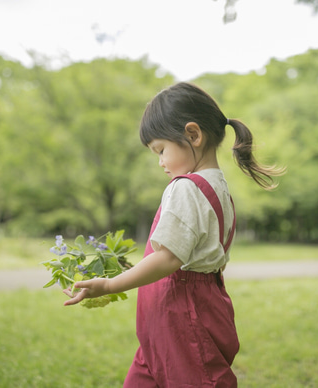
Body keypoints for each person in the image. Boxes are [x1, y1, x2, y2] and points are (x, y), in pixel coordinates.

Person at [63, 82, 284, 387]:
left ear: (193, 135)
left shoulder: (186, 187)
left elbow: (168, 258)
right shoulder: (220, 189)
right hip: (172, 324)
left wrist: (110, 284)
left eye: (161, 150)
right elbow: (193, 255)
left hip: (182, 320)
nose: (160, 162)